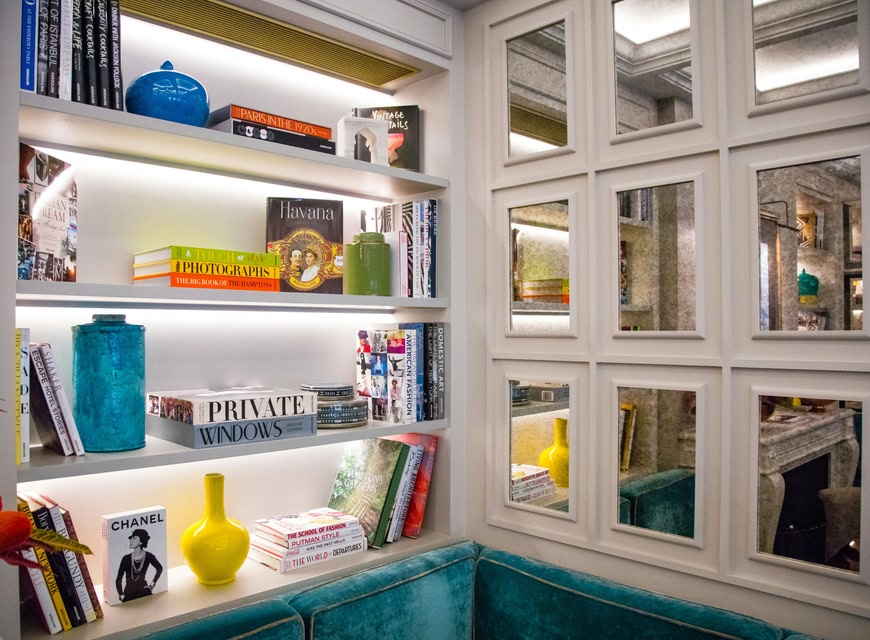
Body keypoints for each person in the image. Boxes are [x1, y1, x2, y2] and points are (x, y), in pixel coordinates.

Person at [115, 528, 163, 603]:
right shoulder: (126, 558)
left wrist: (152, 583)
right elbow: (118, 579)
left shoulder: (149, 556)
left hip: (144, 592)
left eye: (134, 538)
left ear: (141, 541)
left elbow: (159, 568)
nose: (130, 540)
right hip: (128, 594)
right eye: (131, 538)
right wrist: (120, 594)